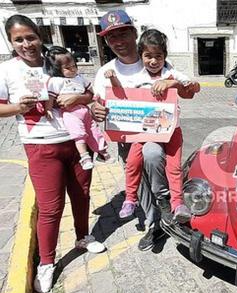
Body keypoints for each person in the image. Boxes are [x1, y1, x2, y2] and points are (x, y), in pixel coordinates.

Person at [0, 15, 105, 293]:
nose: (26, 44)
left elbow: (89, 94)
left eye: (30, 37)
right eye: (18, 39)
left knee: (81, 196)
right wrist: (17, 108)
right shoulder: (7, 70)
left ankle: (83, 237)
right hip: (41, 147)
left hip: (77, 142)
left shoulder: (57, 60)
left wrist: (79, 100)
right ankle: (47, 262)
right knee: (50, 208)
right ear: (10, 42)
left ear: (40, 35)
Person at [91, 10, 199, 251]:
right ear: (106, 42)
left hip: (160, 135)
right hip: (127, 137)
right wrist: (94, 110)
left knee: (153, 158)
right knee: (139, 183)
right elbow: (98, 102)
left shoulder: (154, 59)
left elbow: (188, 90)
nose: (118, 42)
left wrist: (173, 83)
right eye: (111, 38)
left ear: (133, 34)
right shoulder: (106, 71)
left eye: (122, 34)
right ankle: (154, 223)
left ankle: (167, 208)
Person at [106, 29, 199, 223]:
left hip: (172, 130)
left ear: (165, 56)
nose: (154, 61)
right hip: (144, 132)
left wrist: (171, 82)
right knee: (132, 163)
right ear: (141, 56)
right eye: (148, 56)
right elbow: (120, 94)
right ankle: (130, 199)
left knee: (173, 168)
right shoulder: (137, 76)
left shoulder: (170, 72)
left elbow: (192, 86)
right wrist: (112, 78)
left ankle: (177, 204)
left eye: (158, 56)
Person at [44, 45, 110, 170]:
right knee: (79, 134)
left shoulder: (80, 78)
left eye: (74, 66)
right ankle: (84, 157)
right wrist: (48, 109)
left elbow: (91, 91)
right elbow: (51, 97)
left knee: (95, 131)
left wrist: (97, 98)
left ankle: (103, 152)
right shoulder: (56, 81)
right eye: (68, 68)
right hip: (70, 113)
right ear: (58, 69)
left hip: (85, 111)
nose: (73, 69)